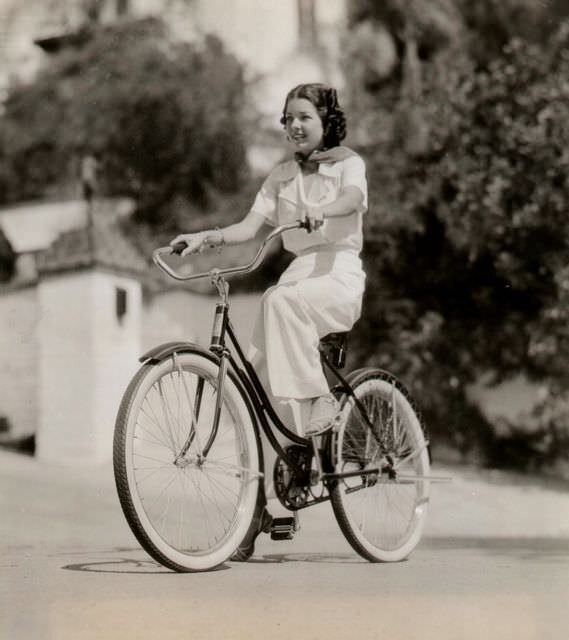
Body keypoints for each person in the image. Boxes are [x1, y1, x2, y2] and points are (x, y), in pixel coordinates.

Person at [170, 82, 367, 559]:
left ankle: (320, 400)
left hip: (338, 273)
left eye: (303, 117)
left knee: (277, 302)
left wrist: (323, 210)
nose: (294, 126)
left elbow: (353, 200)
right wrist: (205, 237)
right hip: (300, 276)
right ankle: (258, 504)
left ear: (325, 122)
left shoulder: (347, 163)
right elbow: (247, 227)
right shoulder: (280, 177)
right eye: (287, 119)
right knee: (249, 379)